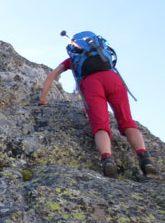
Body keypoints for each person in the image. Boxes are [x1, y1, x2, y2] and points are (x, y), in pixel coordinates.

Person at [39, 32, 157, 178]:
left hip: (91, 84)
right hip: (112, 78)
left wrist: (43, 99)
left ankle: (107, 159)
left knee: (100, 125)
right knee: (127, 121)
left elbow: (51, 76)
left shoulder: (72, 60)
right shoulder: (101, 53)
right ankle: (145, 159)